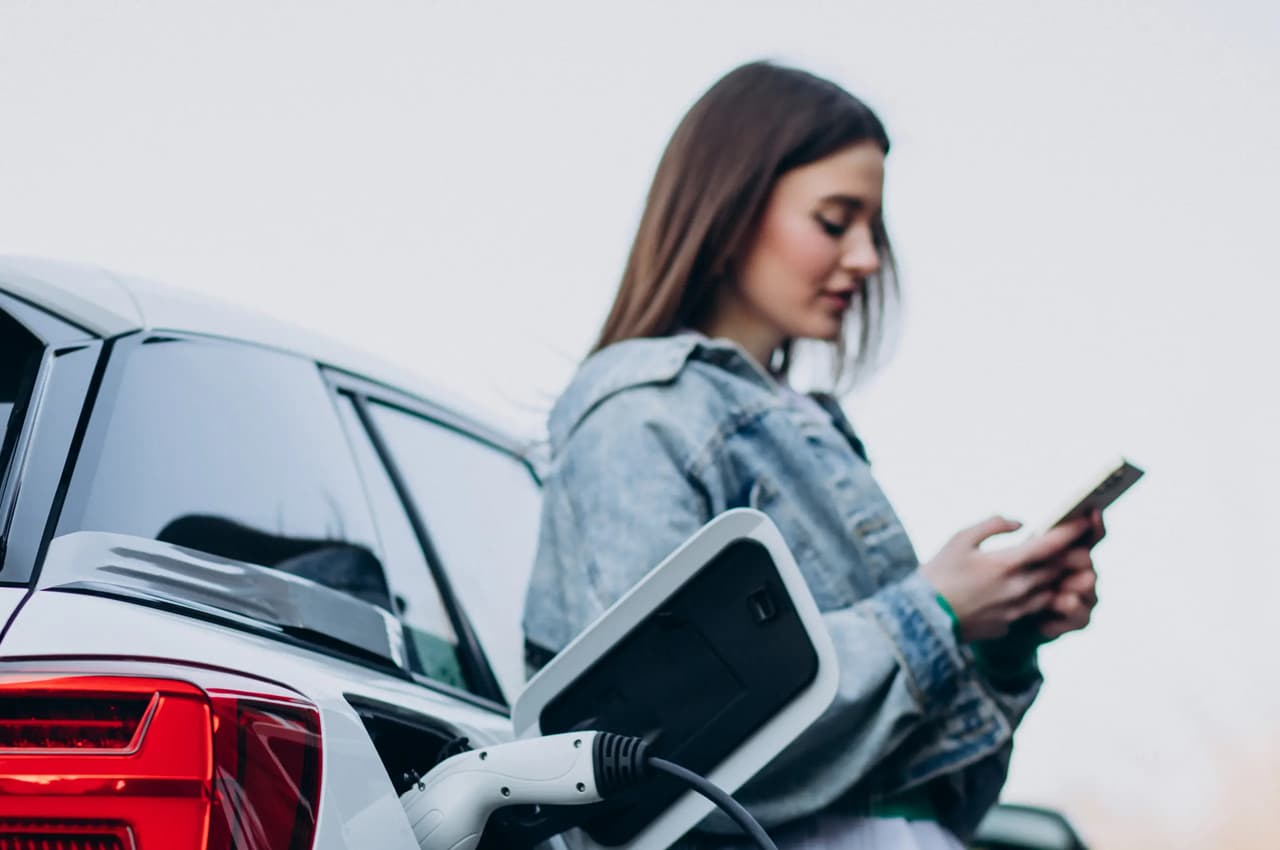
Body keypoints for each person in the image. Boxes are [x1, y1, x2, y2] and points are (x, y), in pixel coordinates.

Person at [522, 61, 1103, 850]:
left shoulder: (803, 427)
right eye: (835, 221)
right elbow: (656, 756)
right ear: (728, 207)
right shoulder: (642, 415)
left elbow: (919, 797)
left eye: (873, 229)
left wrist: (999, 647)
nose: (865, 258)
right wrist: (931, 613)